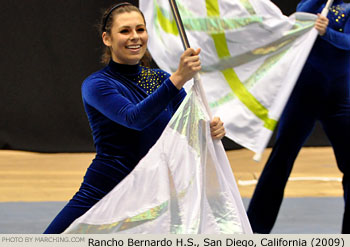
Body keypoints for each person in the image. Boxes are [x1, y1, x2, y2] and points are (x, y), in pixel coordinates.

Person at [44, 2, 226, 234]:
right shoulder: (97, 84)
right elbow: (134, 118)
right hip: (108, 187)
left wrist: (212, 128)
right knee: (50, 242)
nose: (135, 37)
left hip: (154, 189)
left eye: (140, 29)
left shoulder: (160, 79)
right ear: (107, 38)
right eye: (125, 31)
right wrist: (179, 78)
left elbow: (190, 126)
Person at [247, 0, 350, 234]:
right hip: (303, 94)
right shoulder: (316, 2)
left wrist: (328, 32)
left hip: (340, 99)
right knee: (280, 161)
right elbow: (301, 15)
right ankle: (254, 231)